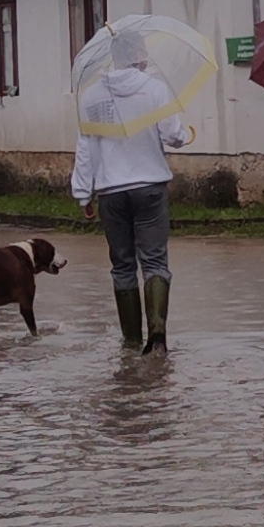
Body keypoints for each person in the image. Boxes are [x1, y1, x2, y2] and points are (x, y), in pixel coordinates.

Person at [70, 28, 190, 352]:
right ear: (137, 55)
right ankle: (158, 336)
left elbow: (86, 146)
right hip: (150, 187)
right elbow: (172, 134)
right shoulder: (155, 89)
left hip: (110, 191)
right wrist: (183, 136)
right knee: (154, 262)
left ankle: (131, 342)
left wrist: (83, 192)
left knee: (122, 265)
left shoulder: (92, 95)